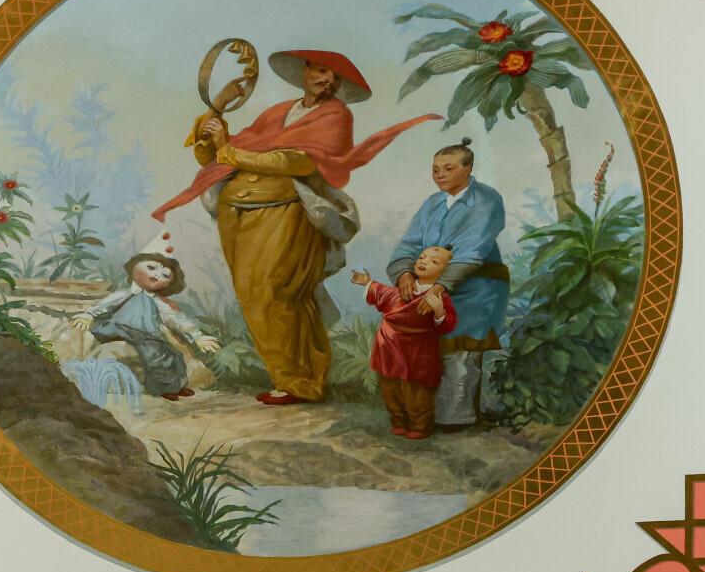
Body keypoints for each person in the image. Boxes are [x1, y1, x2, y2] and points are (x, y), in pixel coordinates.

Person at [153, 50, 437, 405]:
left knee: (279, 292)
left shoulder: (335, 115)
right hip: (238, 214)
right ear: (306, 71)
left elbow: (298, 162)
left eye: (334, 77)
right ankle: (288, 379)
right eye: (321, 71)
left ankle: (302, 382)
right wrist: (218, 110)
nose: (327, 80)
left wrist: (230, 151)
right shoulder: (277, 112)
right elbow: (213, 155)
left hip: (286, 213)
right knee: (253, 296)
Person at [386, 138, 508, 428]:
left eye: (448, 168)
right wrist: (404, 273)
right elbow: (410, 243)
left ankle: (457, 419)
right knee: (426, 350)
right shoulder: (433, 203)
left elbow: (472, 250)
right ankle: (424, 414)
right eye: (435, 169)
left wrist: (440, 287)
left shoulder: (486, 200)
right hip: (430, 287)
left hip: (476, 287)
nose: (440, 175)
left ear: (468, 168)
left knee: (460, 353)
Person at [71, 250, 220, 400]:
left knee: (174, 354)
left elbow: (177, 320)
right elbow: (105, 305)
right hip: (122, 329)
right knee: (155, 356)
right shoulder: (125, 294)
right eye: (151, 267)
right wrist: (88, 315)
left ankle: (177, 386)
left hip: (148, 334)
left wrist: (197, 336)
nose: (157, 274)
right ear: (134, 267)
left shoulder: (158, 302)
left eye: (165, 276)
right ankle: (163, 389)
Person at [351, 247, 459, 439]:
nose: (424, 262)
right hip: (389, 348)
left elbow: (447, 326)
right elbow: (383, 293)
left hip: (418, 352)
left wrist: (438, 310)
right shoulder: (403, 288)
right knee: (391, 389)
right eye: (422, 257)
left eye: (434, 261)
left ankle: (419, 426)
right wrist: (367, 283)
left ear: (446, 272)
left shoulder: (440, 297)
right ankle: (399, 420)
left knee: (417, 392)